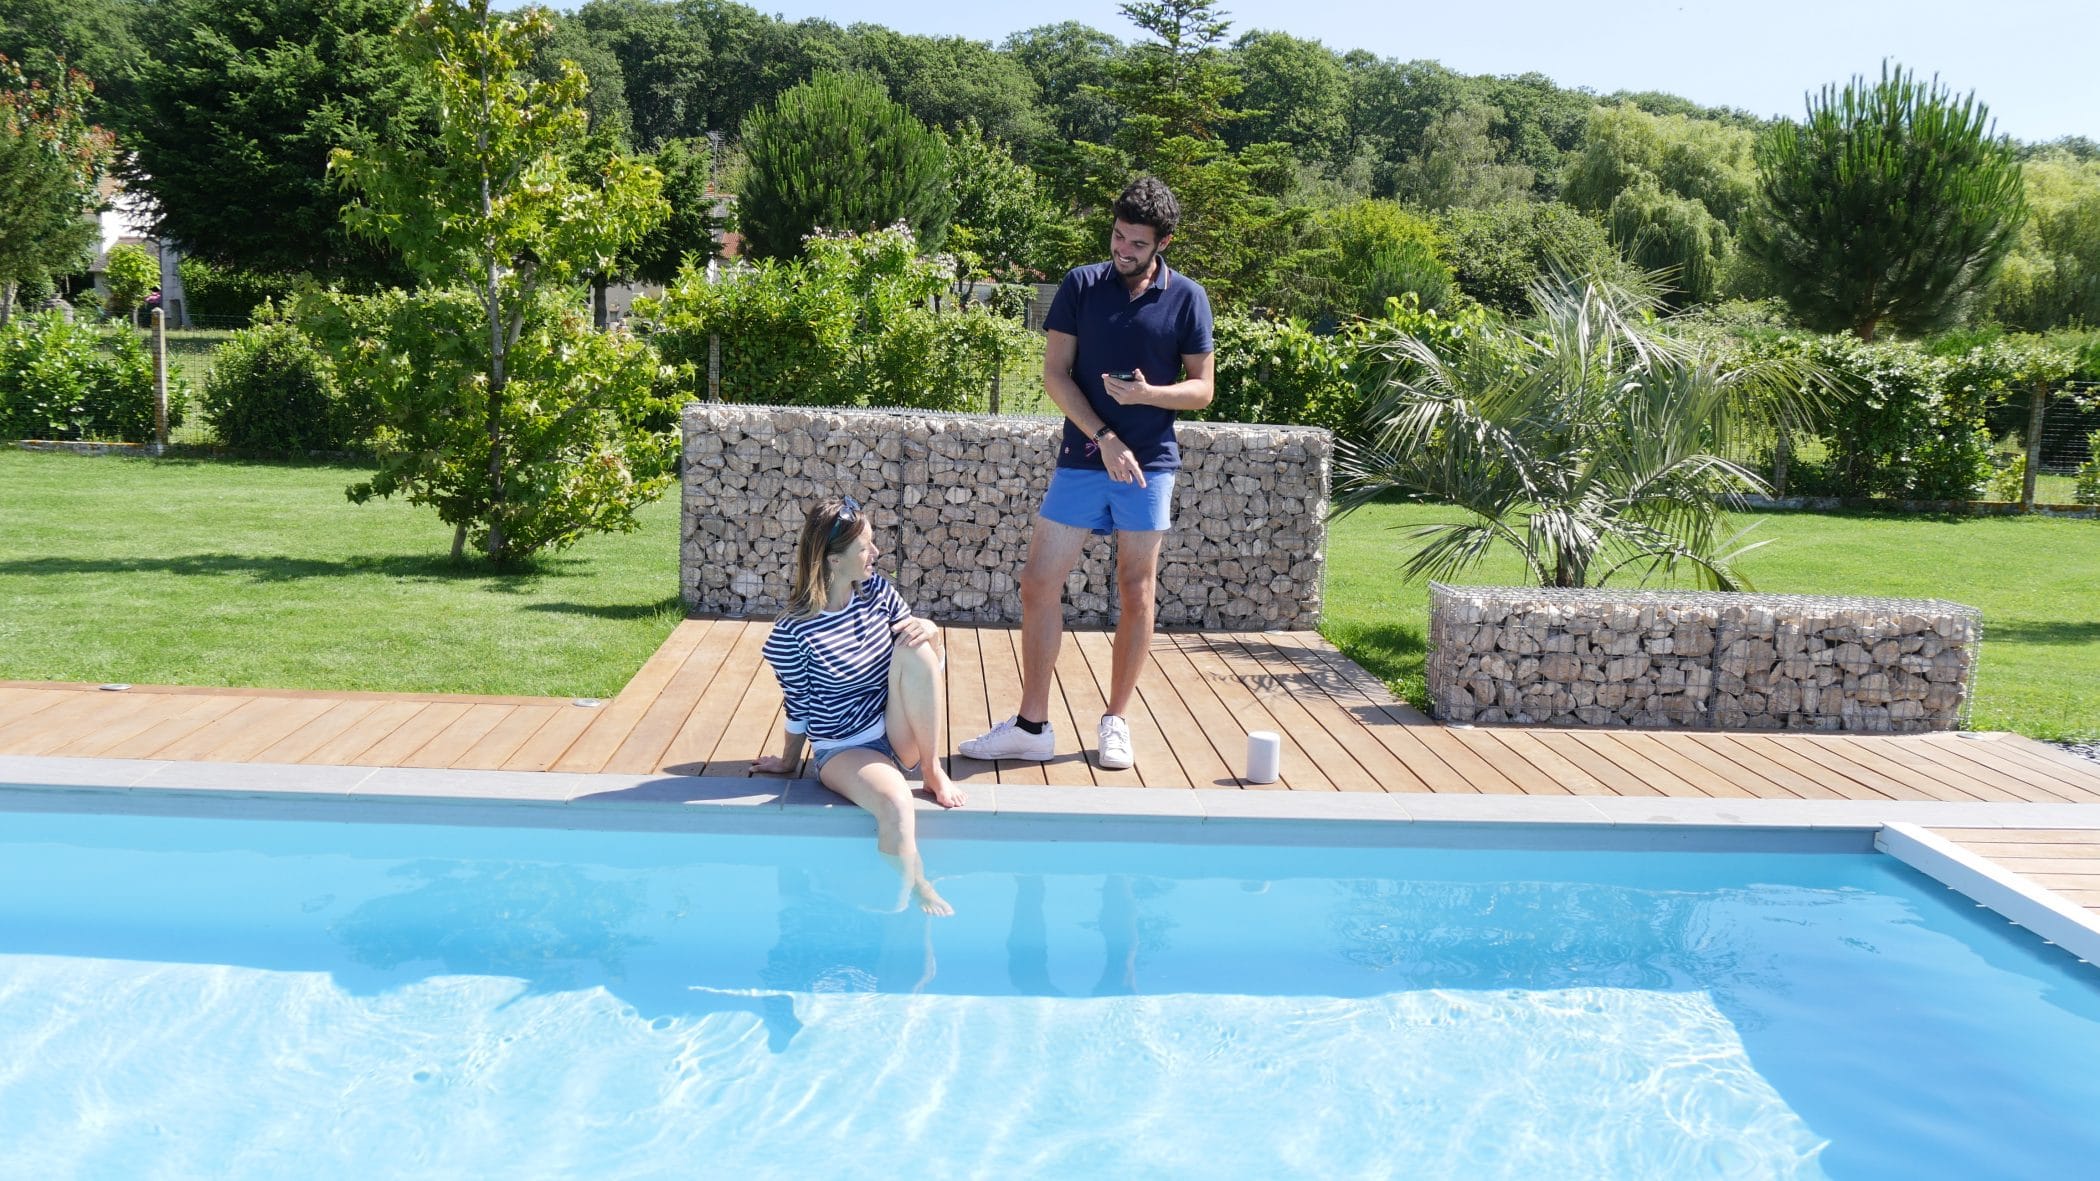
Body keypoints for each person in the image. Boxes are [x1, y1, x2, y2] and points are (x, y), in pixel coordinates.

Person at [959, 176, 1215, 772]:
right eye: (1118, 237)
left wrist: (1150, 394)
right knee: (1038, 584)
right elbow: (1055, 374)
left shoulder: (1189, 299)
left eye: (1136, 244)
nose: (1122, 250)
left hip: (1150, 464)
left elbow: (1202, 390)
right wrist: (1103, 437)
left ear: (1164, 243)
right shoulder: (1080, 284)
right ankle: (1031, 726)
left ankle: (1115, 721)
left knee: (1135, 590)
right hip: (1084, 457)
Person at [752, 496, 966, 915]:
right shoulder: (792, 633)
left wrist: (931, 626)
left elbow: (921, 649)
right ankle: (912, 890)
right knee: (895, 805)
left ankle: (932, 768)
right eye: (865, 547)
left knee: (917, 648)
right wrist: (787, 761)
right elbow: (797, 705)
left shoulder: (877, 593)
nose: (876, 553)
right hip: (844, 748)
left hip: (893, 730)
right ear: (833, 560)